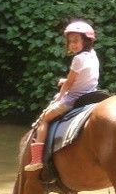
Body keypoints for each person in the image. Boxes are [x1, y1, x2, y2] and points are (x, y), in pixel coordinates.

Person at [25, 20, 99, 171]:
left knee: (44, 120)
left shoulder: (78, 59)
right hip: (92, 93)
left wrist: (60, 96)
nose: (73, 44)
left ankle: (37, 159)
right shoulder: (92, 54)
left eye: (76, 41)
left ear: (86, 41)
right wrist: (66, 82)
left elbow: (70, 83)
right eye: (70, 41)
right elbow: (86, 76)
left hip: (74, 98)